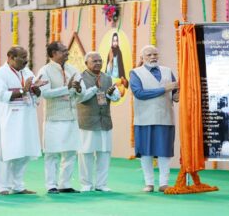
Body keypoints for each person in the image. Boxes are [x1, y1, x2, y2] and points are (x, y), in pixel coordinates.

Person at [0, 46, 46, 195]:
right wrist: (24, 89)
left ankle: (18, 185)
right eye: (22, 57)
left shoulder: (27, 72)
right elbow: (2, 95)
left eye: (26, 57)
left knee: (24, 152)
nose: (26, 61)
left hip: (27, 117)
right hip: (9, 119)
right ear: (10, 57)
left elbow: (36, 94)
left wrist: (36, 90)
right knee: (7, 153)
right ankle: (2, 186)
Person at [130, 45, 179, 192]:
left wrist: (176, 95)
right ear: (142, 58)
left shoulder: (167, 71)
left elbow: (175, 90)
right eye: (149, 55)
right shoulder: (135, 73)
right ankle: (149, 183)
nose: (153, 57)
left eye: (155, 54)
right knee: (146, 152)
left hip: (165, 117)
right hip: (144, 118)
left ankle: (164, 183)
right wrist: (165, 89)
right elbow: (139, 93)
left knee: (164, 151)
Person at [38, 42, 84, 194]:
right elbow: (44, 93)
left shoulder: (73, 69)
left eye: (66, 50)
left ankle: (65, 184)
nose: (67, 53)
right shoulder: (45, 71)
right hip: (54, 118)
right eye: (63, 51)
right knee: (52, 153)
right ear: (53, 53)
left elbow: (80, 93)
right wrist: (67, 88)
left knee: (70, 152)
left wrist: (78, 90)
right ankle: (51, 185)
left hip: (71, 117)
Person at [77, 52, 120, 192]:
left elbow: (115, 98)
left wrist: (112, 93)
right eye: (94, 61)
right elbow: (80, 98)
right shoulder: (80, 78)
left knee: (104, 153)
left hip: (104, 121)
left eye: (100, 61)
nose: (98, 63)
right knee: (86, 153)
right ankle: (86, 184)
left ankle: (101, 184)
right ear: (86, 63)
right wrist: (95, 87)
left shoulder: (107, 77)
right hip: (87, 122)